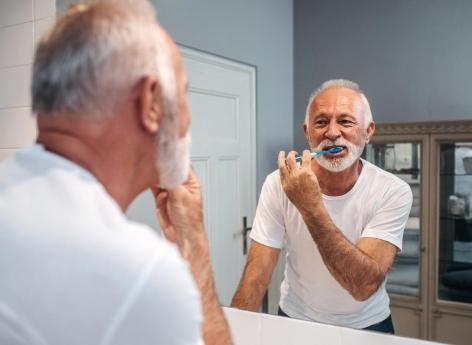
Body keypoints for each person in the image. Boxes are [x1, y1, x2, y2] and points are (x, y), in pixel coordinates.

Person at [0, 1, 232, 344]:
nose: (189, 119)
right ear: (150, 102)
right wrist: (193, 241)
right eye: (184, 95)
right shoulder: (139, 275)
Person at [231, 79, 413, 334]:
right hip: (295, 320)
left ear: (368, 131)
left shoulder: (392, 191)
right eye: (321, 122)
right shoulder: (278, 183)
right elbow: (257, 274)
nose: (332, 132)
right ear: (307, 132)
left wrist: (310, 205)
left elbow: (362, 286)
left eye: (346, 121)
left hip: (367, 327)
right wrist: (230, 334)